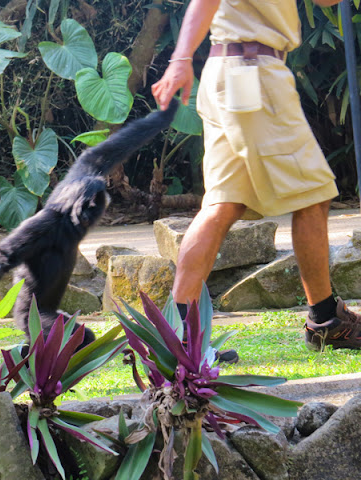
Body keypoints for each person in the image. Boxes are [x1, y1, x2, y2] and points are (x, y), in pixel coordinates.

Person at [152, 0, 361, 353]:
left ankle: (179, 339)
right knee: (314, 193)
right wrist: (180, 58)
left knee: (222, 205)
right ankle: (326, 319)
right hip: (253, 75)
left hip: (230, 72)